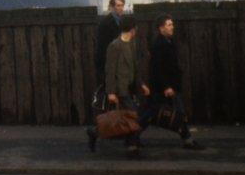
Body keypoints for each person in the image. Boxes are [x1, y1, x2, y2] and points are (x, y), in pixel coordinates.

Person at [87, 16, 149, 157]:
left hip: (130, 87)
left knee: (126, 118)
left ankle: (95, 132)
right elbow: (110, 70)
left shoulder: (132, 44)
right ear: (132, 29)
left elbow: (135, 68)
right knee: (133, 116)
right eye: (136, 27)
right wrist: (110, 92)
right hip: (120, 89)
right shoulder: (115, 46)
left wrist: (141, 84)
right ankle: (131, 147)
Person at [146, 16, 204, 150]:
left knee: (154, 113)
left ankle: (188, 140)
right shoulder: (158, 45)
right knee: (152, 114)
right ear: (161, 28)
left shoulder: (169, 41)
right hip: (165, 87)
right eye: (168, 25)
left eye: (172, 24)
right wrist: (167, 86)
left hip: (171, 86)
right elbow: (157, 68)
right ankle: (188, 140)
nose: (172, 27)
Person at [95, 0, 127, 85]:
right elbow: (103, 47)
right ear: (112, 7)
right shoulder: (105, 23)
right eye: (118, 6)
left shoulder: (123, 21)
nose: (121, 8)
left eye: (122, 5)